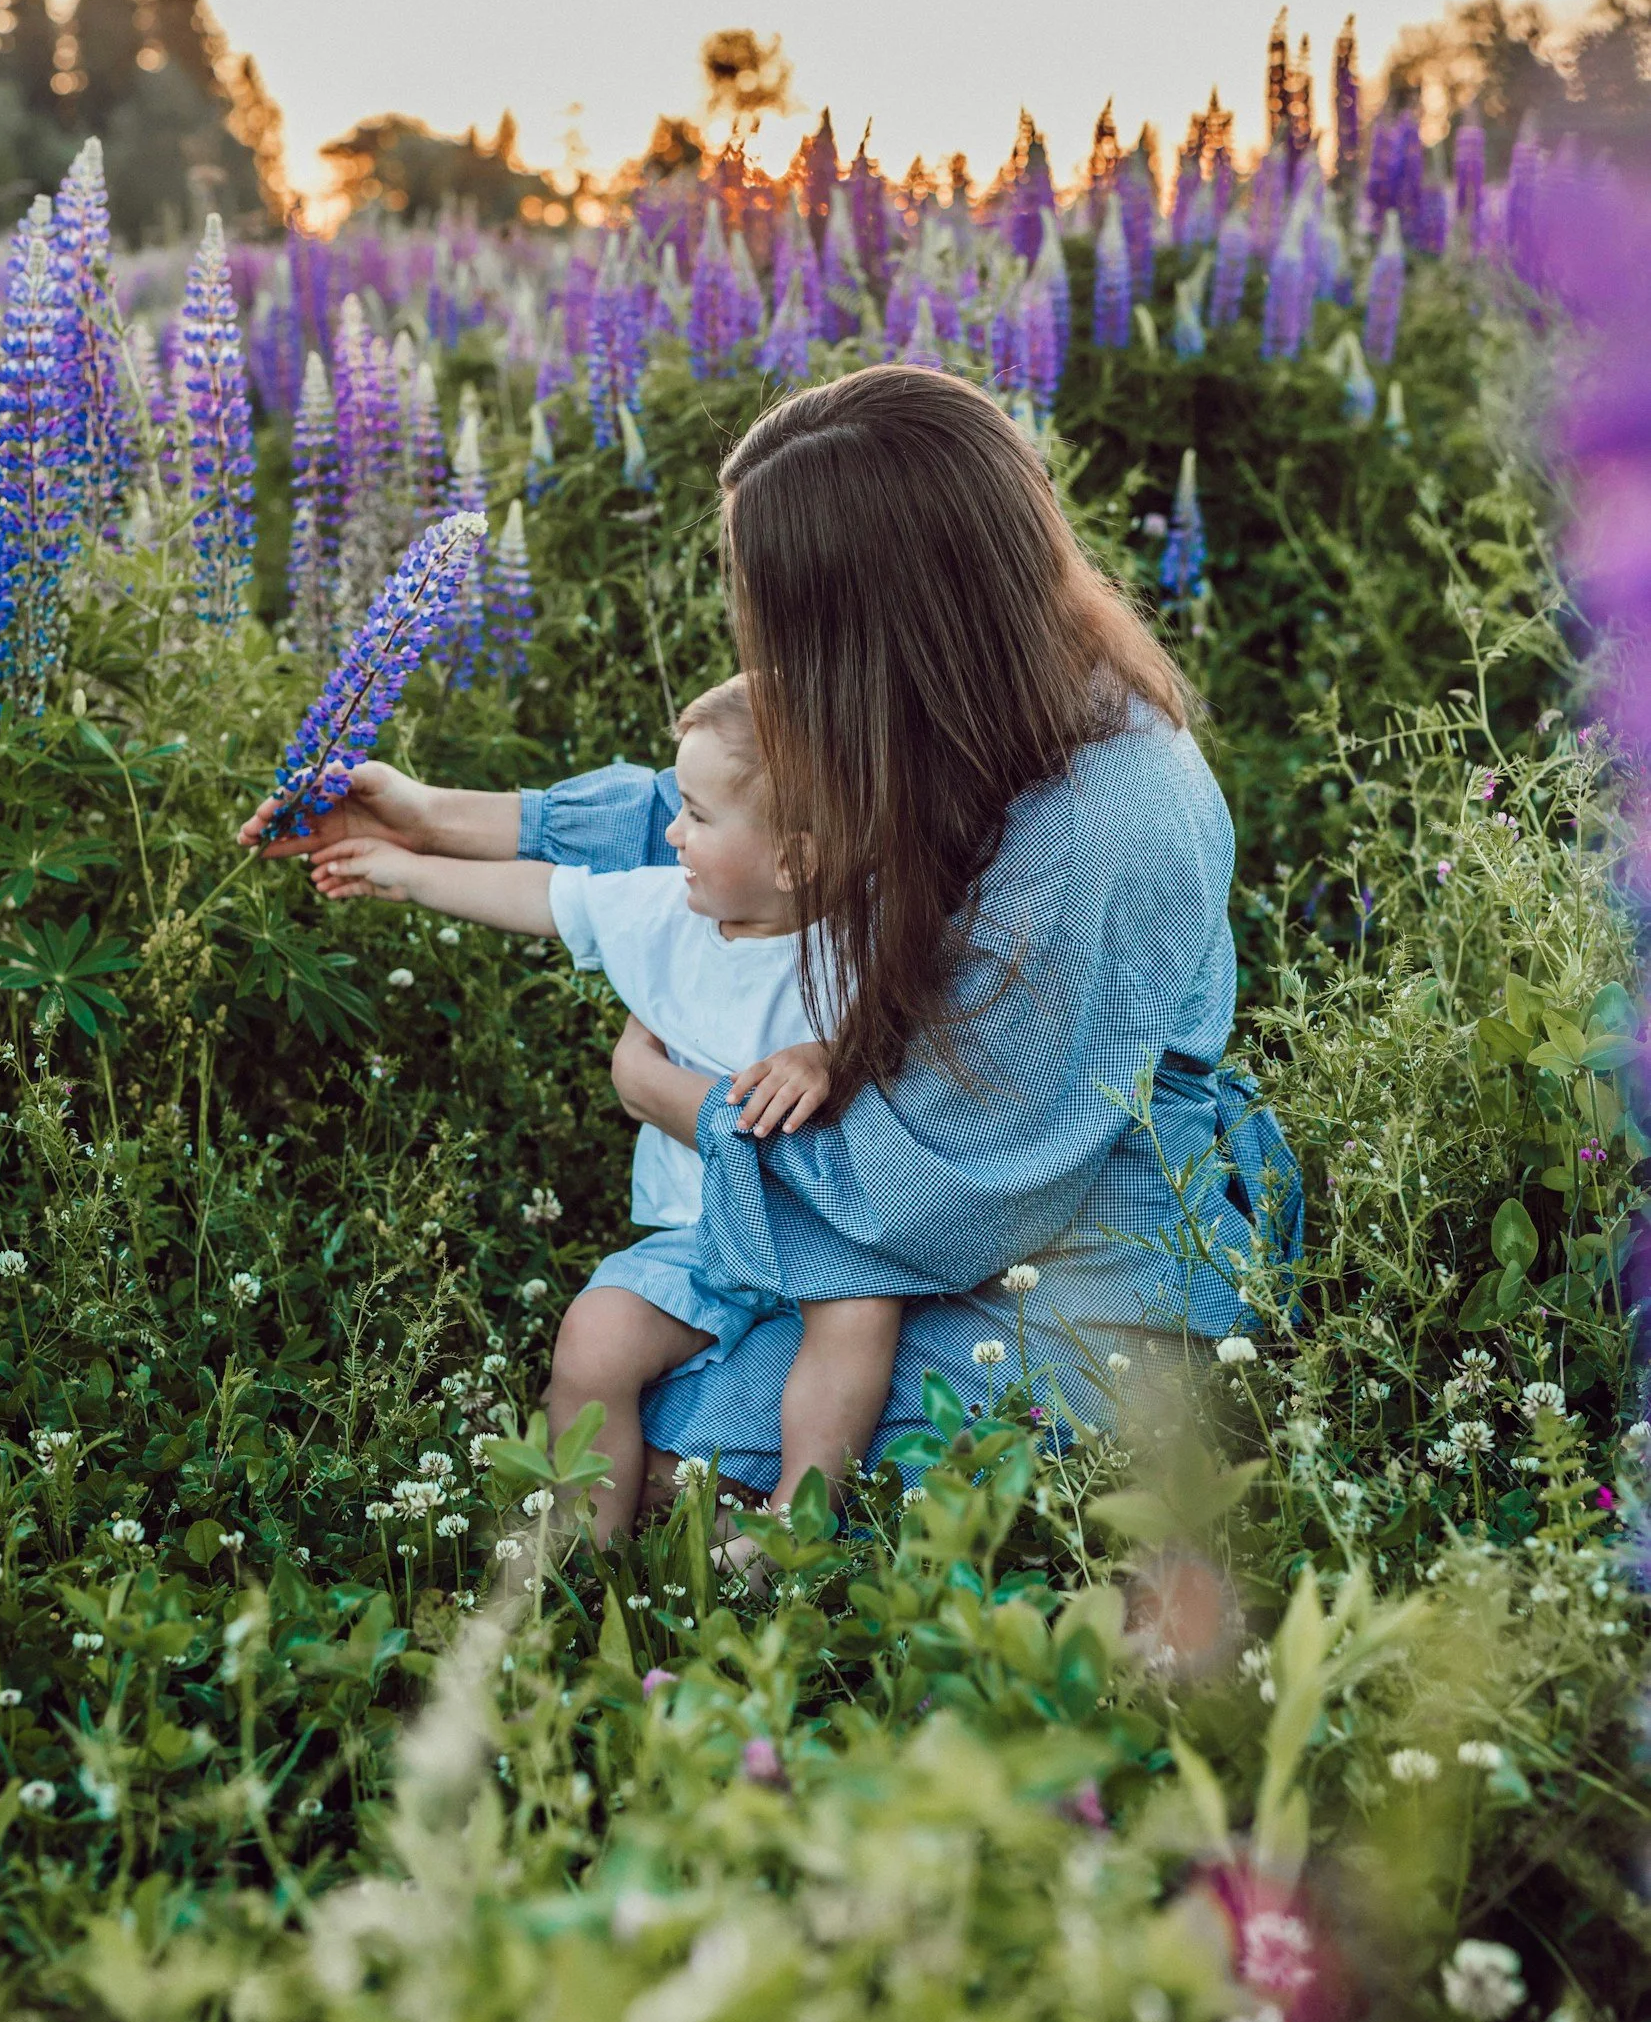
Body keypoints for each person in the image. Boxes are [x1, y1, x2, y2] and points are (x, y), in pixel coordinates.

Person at [241, 365, 1301, 1515]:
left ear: (886, 624)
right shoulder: (980, 701)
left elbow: (939, 1196)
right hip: (939, 1190)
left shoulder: (1098, 826)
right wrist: (435, 814)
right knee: (641, 1404)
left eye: (781, 618)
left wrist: (679, 1103)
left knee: (685, 1464)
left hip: (1077, 1245)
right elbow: (748, 812)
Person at [296, 672, 900, 1543]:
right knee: (594, 1337)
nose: (670, 831)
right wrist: (401, 870)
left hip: (822, 1228)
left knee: (859, 1321)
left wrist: (829, 1055)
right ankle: (581, 1557)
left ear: (794, 859)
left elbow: (923, 1030)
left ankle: (794, 1527)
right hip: (696, 1234)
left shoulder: (869, 940)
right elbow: (543, 896)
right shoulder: (665, 913)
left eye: (695, 814)